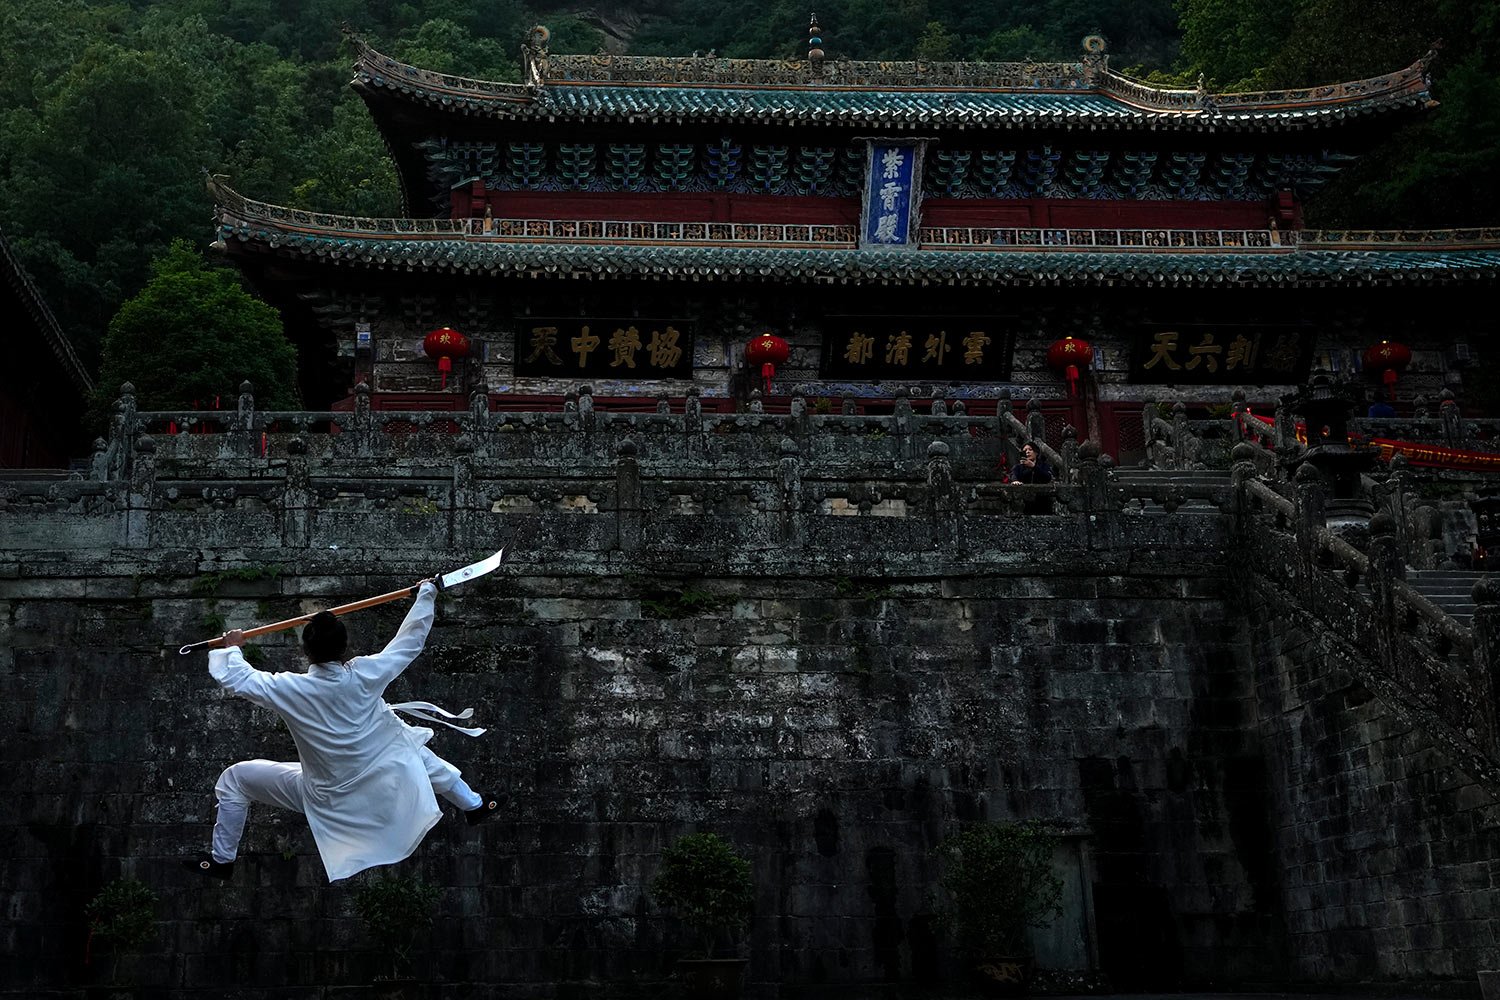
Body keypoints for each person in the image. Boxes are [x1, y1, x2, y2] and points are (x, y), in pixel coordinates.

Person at [186, 579, 499, 883]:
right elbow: (409, 643)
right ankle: (474, 804)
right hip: (380, 785)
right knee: (407, 750)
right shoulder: (364, 674)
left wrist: (232, 648)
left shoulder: (292, 689)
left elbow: (241, 680)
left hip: (326, 796)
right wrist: (426, 594)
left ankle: (221, 860)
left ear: (305, 651)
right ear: (345, 647)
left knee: (235, 779)